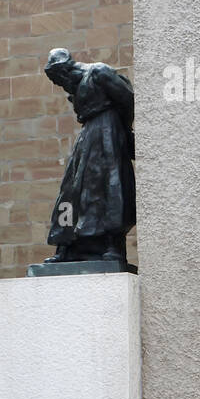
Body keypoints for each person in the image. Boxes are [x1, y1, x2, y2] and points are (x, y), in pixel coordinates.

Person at [42, 49, 136, 265]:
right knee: (72, 191)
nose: (61, 85)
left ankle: (112, 246)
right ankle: (66, 246)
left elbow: (127, 99)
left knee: (109, 188)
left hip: (107, 132)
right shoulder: (75, 87)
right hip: (88, 137)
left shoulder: (99, 72)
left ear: (65, 70)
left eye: (59, 79)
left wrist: (121, 132)